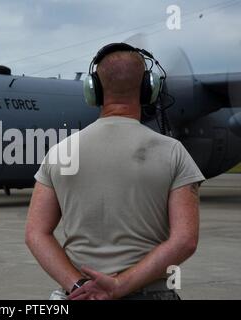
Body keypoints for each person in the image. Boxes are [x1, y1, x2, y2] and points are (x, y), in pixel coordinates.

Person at [25, 43, 205, 300]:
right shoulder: (173, 152)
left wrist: (78, 287)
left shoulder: (59, 152)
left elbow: (35, 233)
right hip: (149, 293)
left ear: (93, 90)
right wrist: (120, 285)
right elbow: (185, 240)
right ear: (149, 88)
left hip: (80, 296)